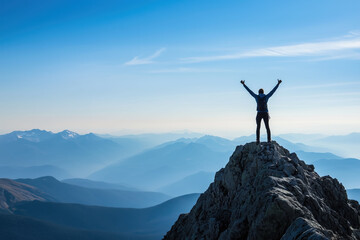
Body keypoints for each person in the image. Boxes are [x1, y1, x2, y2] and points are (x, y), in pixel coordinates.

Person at [240, 79, 282, 144]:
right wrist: (278, 84)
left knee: (258, 127)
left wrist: (244, 84)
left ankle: (257, 140)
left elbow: (250, 91)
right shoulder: (266, 97)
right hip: (265, 113)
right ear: (263, 92)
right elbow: (273, 91)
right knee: (267, 127)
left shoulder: (256, 97)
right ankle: (269, 140)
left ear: (259, 92)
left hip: (259, 113)